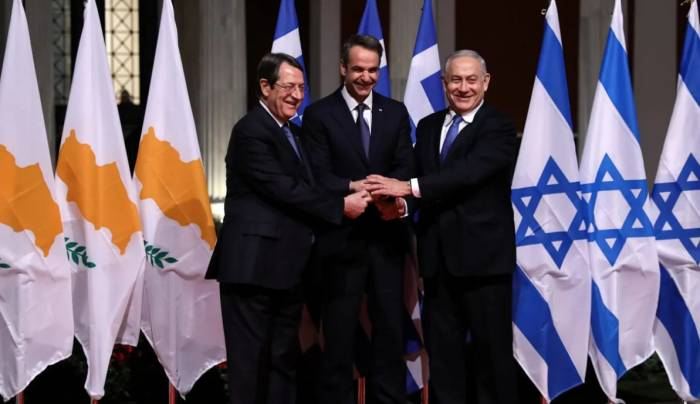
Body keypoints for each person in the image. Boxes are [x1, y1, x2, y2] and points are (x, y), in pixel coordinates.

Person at [206, 53, 372, 404]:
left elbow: (313, 182)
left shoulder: (293, 133)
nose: (297, 95)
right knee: (250, 365)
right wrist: (340, 207)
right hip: (252, 268)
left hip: (288, 267)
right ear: (265, 87)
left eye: (301, 87)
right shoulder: (250, 131)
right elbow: (284, 188)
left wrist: (351, 186)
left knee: (282, 361)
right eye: (289, 87)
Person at [367, 50, 520, 404]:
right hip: (438, 265)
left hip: (484, 265)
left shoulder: (498, 127)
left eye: (471, 80)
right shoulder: (429, 126)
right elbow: (420, 180)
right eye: (456, 80)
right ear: (444, 83)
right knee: (444, 361)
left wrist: (408, 188)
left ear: (486, 83)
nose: (463, 87)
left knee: (492, 360)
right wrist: (401, 205)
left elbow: (467, 175)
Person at [302, 34, 415, 404]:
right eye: (358, 69)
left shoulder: (395, 112)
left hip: (386, 240)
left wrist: (390, 194)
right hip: (341, 242)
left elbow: (405, 165)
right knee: (338, 338)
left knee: (390, 335)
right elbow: (316, 174)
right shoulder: (319, 114)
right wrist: (353, 187)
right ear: (342, 68)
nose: (366, 77)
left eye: (372, 70)